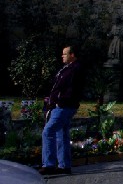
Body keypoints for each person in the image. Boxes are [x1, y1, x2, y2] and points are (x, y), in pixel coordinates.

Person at [39, 45, 85, 176]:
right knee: (61, 134)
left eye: (65, 54)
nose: (62, 56)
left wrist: (60, 101)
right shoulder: (67, 69)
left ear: (72, 55)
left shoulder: (75, 69)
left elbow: (71, 89)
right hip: (61, 105)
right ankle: (64, 165)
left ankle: (49, 165)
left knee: (48, 131)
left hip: (64, 106)